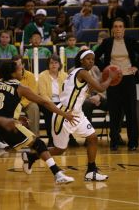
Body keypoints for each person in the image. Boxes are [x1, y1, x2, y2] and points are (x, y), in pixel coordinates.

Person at [25, 49, 118, 181]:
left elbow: (86, 89)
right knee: (59, 149)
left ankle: (91, 170)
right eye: (88, 59)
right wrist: (109, 78)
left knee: (92, 137)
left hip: (77, 114)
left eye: (93, 59)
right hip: (64, 114)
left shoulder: (74, 72)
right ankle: (32, 156)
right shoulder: (82, 72)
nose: (91, 61)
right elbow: (101, 88)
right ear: (81, 60)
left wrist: (95, 87)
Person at [0, 60, 77, 184]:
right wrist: (64, 114)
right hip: (7, 126)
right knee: (39, 144)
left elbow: (1, 108)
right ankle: (57, 174)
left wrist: (16, 118)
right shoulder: (19, 87)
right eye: (19, 69)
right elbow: (44, 102)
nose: (22, 71)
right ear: (12, 73)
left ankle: (33, 159)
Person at [95, 17, 139, 151]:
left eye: (120, 26)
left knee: (131, 112)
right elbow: (95, 56)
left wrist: (136, 66)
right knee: (114, 112)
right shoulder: (107, 42)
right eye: (115, 26)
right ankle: (114, 141)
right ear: (112, 30)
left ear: (124, 29)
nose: (118, 29)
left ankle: (132, 142)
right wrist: (105, 70)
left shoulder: (131, 41)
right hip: (113, 80)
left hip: (128, 79)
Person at [38, 54, 79, 147]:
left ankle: (69, 137)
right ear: (48, 65)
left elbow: (69, 92)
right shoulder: (42, 76)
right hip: (47, 101)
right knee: (50, 113)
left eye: (56, 62)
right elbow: (43, 94)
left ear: (60, 64)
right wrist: (51, 104)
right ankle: (51, 139)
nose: (54, 65)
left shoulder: (65, 75)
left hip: (62, 101)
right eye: (51, 63)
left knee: (67, 111)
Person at [13, 55, 40, 137]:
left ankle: (35, 138)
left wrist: (21, 104)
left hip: (26, 102)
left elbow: (33, 94)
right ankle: (8, 139)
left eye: (19, 64)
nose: (17, 67)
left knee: (34, 107)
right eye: (15, 65)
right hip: (13, 103)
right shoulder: (9, 75)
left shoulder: (30, 76)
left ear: (23, 65)